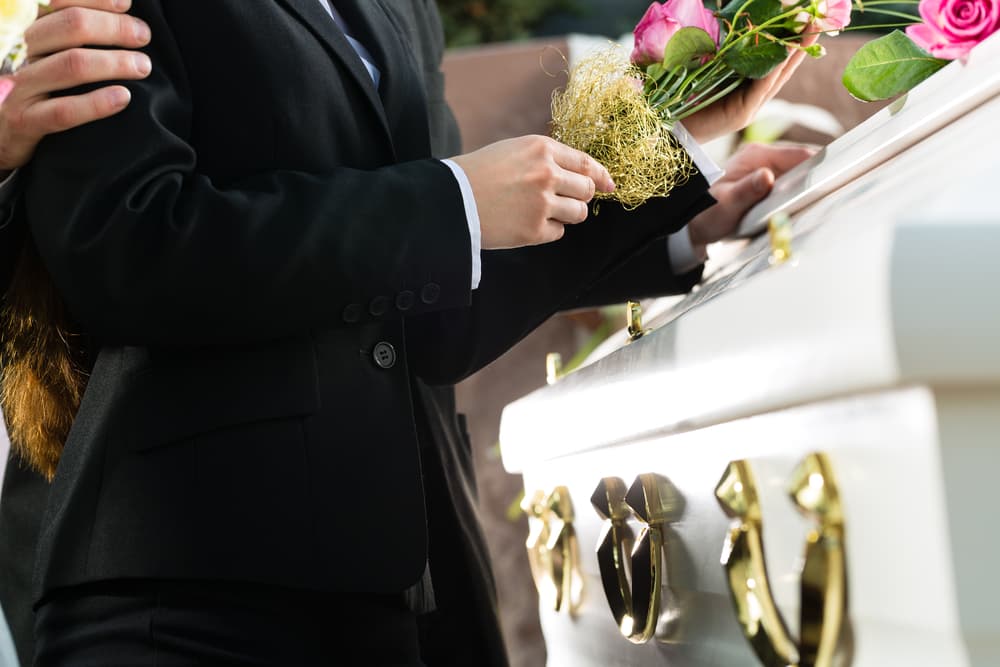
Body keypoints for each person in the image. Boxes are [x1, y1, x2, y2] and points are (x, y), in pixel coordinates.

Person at [2, 0, 814, 664]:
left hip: (406, 596)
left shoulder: (401, 12)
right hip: (186, 595)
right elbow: (132, 255)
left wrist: (678, 180)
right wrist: (449, 200)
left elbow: (435, 317)